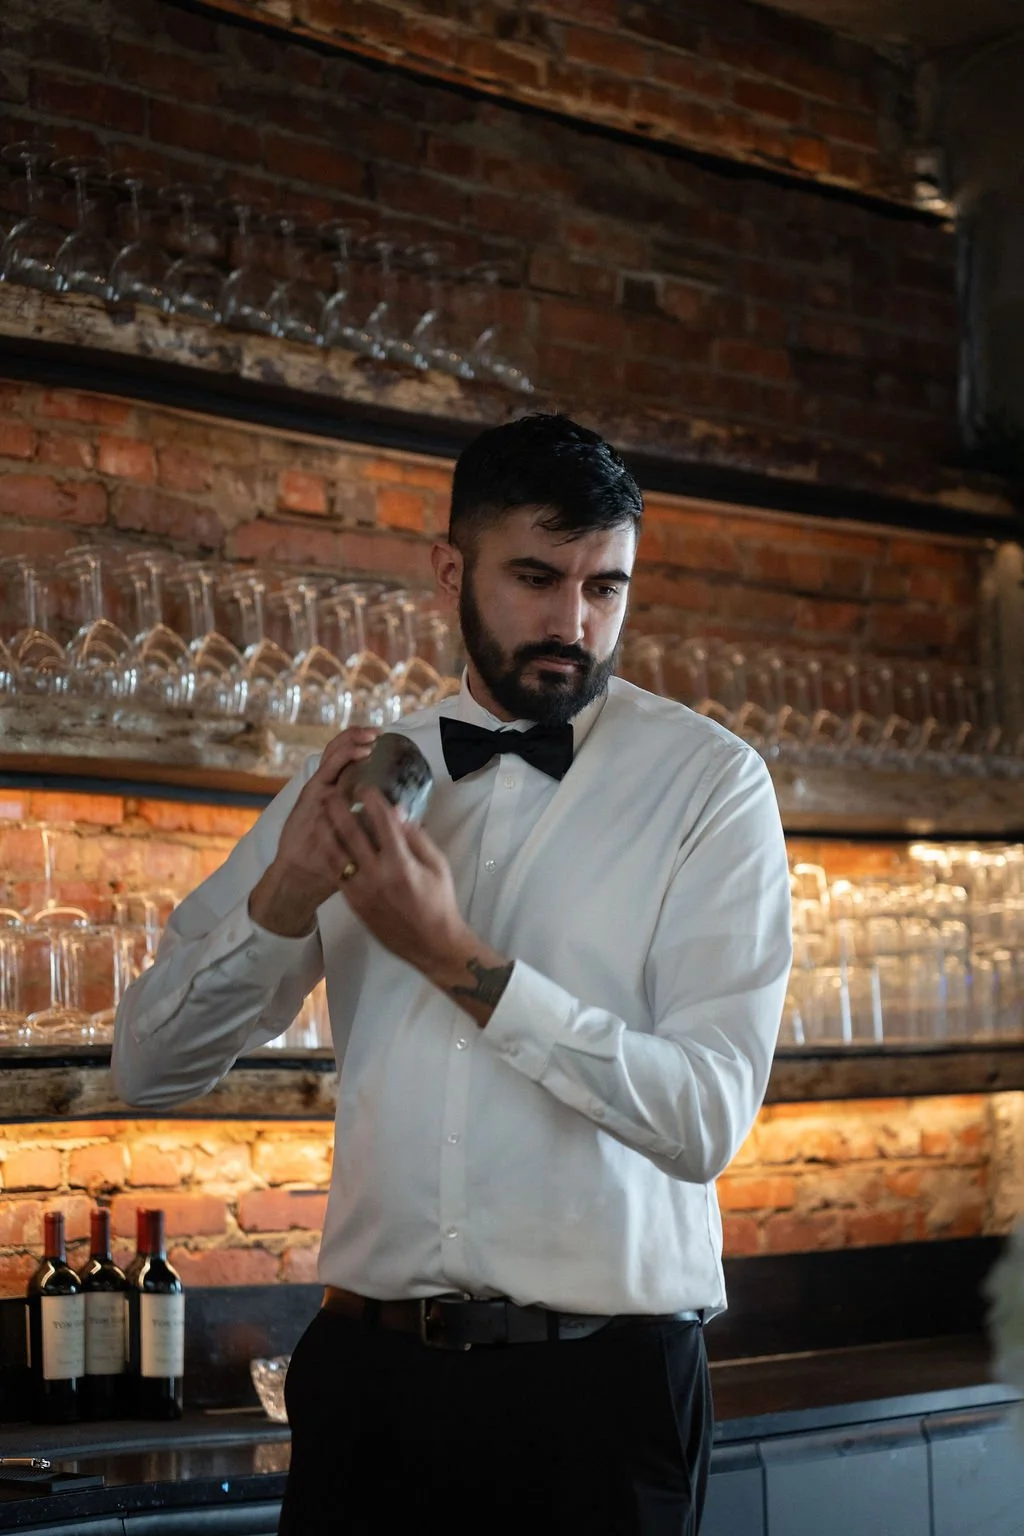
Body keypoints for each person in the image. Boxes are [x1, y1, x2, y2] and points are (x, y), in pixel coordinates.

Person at [112, 413, 792, 1536]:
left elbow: (705, 1117)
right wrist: (285, 896)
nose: (572, 621)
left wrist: (456, 960)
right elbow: (147, 1068)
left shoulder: (710, 788)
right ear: (449, 571)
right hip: (369, 1390)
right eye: (535, 575)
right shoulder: (359, 772)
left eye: (604, 587)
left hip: (601, 1402)